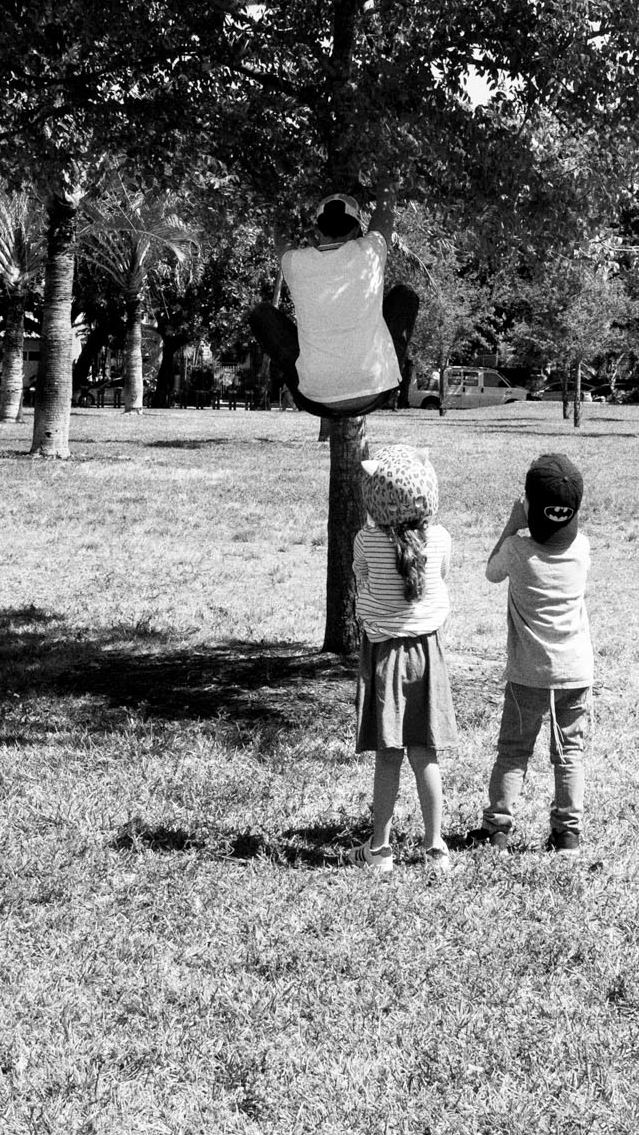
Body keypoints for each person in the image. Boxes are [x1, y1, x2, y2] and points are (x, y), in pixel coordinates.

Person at [478, 453, 593, 855]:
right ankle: (567, 836)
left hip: (528, 672)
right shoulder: (582, 549)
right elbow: (564, 530)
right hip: (575, 672)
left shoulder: (516, 550)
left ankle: (498, 830)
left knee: (513, 750)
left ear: (529, 507)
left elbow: (491, 572)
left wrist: (513, 522)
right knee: (569, 752)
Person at [352, 446, 457, 874]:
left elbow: (361, 575)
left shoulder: (366, 539)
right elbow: (442, 577)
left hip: (382, 656)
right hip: (427, 655)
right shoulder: (442, 538)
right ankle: (436, 849)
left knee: (388, 756)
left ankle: (379, 849)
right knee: (424, 753)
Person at [248, 190, 418, 420]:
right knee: (405, 296)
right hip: (377, 389)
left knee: (261, 314)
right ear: (358, 230)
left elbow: (282, 234)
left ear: (317, 231)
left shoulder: (296, 263)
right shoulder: (370, 252)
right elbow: (384, 209)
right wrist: (388, 178)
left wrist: (279, 195)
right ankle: (388, 366)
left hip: (315, 398)